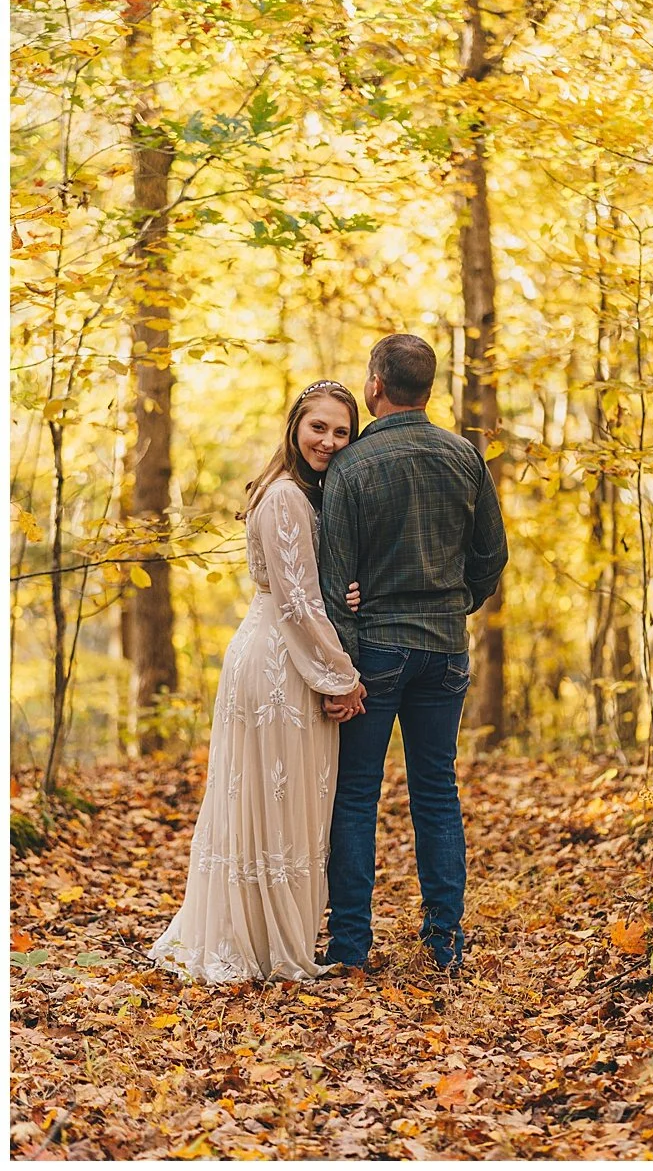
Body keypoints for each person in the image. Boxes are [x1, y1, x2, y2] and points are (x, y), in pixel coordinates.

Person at [149, 381, 368, 983]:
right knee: (272, 803)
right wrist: (341, 676)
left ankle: (274, 939)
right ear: (295, 426)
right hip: (279, 661)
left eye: (342, 430)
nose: (329, 440)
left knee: (288, 802)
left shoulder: (308, 496)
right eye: (318, 427)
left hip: (286, 653)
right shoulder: (285, 498)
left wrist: (342, 591)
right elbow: (295, 603)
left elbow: (310, 584)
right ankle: (260, 945)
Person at [318, 333, 508, 974]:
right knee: (435, 791)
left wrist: (343, 666)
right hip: (446, 649)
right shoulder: (464, 456)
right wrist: (456, 605)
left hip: (374, 651)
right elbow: (492, 557)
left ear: (375, 385)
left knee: (356, 796)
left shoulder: (349, 466)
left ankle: (349, 947)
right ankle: (445, 942)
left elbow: (331, 578)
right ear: (429, 389)